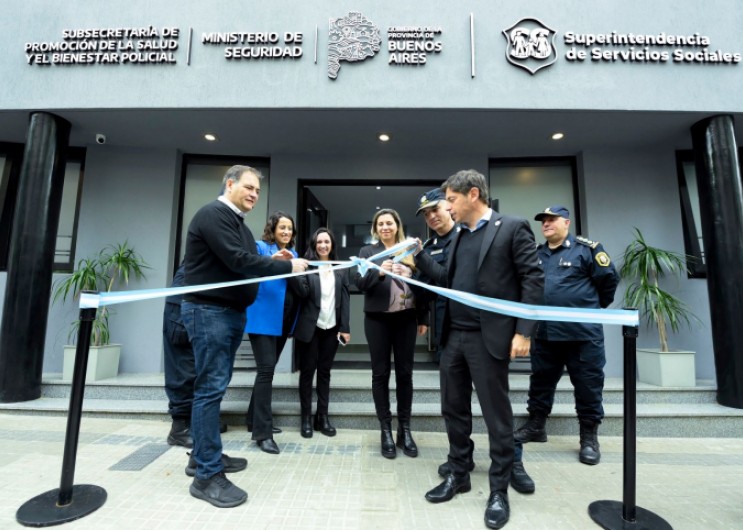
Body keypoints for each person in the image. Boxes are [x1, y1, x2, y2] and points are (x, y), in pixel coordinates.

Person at [414, 170, 543, 530]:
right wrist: (417, 259)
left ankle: (499, 490)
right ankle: (459, 473)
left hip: (491, 339)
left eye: (451, 200)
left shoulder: (512, 227)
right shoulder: (457, 238)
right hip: (454, 336)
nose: (448, 207)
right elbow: (446, 282)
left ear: (473, 194)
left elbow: (533, 279)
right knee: (452, 408)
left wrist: (524, 332)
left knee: (496, 416)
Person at [181, 165, 308, 508]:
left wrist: (271, 259)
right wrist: (287, 265)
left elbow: (246, 258)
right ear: (230, 183)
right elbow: (239, 261)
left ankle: (203, 458)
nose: (254, 194)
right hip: (209, 313)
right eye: (248, 187)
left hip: (227, 314)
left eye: (257, 190)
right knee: (209, 391)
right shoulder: (214, 214)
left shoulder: (235, 221)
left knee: (212, 389)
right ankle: (207, 476)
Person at [514, 205, 619, 466]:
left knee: (588, 387)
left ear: (567, 223)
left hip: (582, 335)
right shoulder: (537, 254)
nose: (546, 224)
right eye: (543, 221)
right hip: (547, 334)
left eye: (552, 220)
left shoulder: (588, 249)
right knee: (540, 383)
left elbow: (608, 281)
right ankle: (536, 426)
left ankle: (589, 438)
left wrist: (590, 309)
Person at [354, 208, 428, 460]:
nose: (385, 227)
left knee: (405, 374)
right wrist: (379, 272)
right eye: (381, 223)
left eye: (389, 223)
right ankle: (385, 429)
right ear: (375, 228)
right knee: (380, 373)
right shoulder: (368, 252)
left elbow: (423, 284)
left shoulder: (409, 249)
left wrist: (424, 317)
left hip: (406, 319)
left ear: (397, 225)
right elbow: (359, 284)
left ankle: (404, 430)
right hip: (377, 320)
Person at [245, 211, 300, 455]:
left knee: (266, 370)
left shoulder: (295, 254)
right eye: (282, 228)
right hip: (263, 319)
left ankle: (253, 419)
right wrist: (274, 261)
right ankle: (262, 433)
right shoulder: (260, 248)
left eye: (290, 228)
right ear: (273, 229)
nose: (286, 232)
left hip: (283, 320)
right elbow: (249, 272)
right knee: (266, 371)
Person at [290, 228, 351, 438]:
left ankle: (322, 417)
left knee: (325, 373)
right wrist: (296, 274)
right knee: (307, 373)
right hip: (310, 327)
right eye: (319, 242)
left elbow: (345, 299)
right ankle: (305, 418)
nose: (323, 245)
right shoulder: (307, 266)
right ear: (314, 244)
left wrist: (345, 327)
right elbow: (302, 293)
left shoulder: (340, 268)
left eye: (327, 242)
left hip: (332, 328)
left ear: (332, 244)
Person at [164, 264, 228, 450]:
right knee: (183, 368)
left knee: (203, 365)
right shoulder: (210, 239)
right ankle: (179, 429)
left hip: (201, 303)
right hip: (183, 306)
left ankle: (200, 422)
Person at [414, 188, 457, 363]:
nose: (431, 216)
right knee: (448, 384)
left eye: (435, 209)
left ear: (448, 206)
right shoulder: (429, 247)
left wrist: (420, 256)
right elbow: (424, 291)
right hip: (443, 327)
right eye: (426, 213)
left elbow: (450, 279)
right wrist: (406, 275)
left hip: (471, 325)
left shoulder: (467, 238)